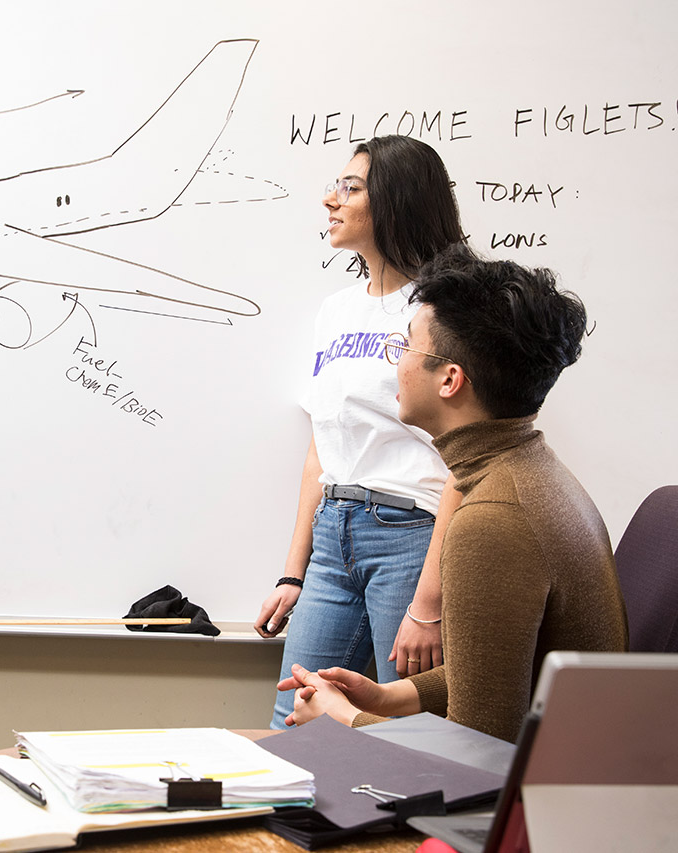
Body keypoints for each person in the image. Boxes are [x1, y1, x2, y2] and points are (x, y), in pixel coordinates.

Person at [278, 245, 628, 743]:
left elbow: (474, 757)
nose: (394, 363)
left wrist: (345, 719)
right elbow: (494, 672)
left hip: (529, 810)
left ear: (449, 379)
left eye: (405, 347)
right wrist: (387, 697)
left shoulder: (493, 519)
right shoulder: (526, 473)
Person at [256, 135, 465, 729]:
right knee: (292, 720)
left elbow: (463, 460)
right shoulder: (335, 311)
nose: (330, 199)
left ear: (396, 201)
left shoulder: (441, 310)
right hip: (333, 536)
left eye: (350, 188)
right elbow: (322, 448)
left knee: (408, 728)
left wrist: (430, 600)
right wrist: (294, 572)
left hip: (410, 534)